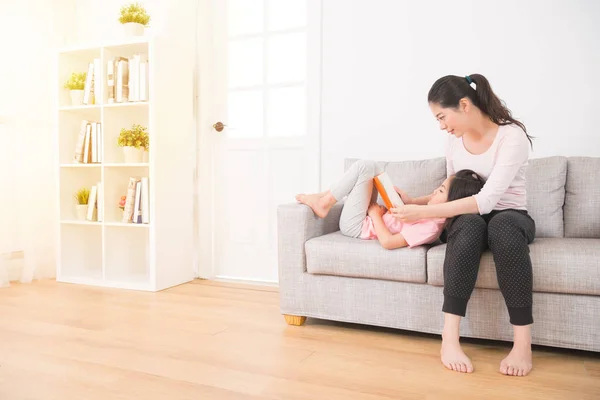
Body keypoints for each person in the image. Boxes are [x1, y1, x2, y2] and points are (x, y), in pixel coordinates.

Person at [390, 74, 536, 377]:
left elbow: (486, 201)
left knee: (503, 227)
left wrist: (419, 216)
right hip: (468, 218)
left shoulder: (511, 137)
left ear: (464, 105)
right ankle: (449, 339)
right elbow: (451, 189)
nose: (442, 125)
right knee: (469, 226)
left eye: (442, 116)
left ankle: (522, 345)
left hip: (510, 216)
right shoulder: (453, 143)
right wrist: (415, 203)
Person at [296, 158, 485, 250]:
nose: (434, 191)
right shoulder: (430, 212)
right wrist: (395, 203)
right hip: (367, 219)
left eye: (441, 191)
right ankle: (322, 199)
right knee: (373, 169)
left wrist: (375, 215)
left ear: (453, 203)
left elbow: (388, 242)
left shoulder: (431, 227)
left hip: (357, 227)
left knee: (365, 166)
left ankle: (323, 202)